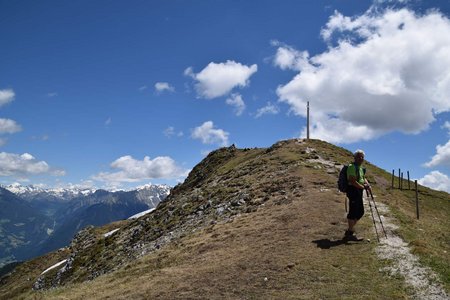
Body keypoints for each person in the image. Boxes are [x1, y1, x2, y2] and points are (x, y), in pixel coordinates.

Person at [344, 149, 371, 241]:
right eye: (359, 156)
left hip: (358, 190)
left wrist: (368, 185)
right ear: (354, 158)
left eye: (362, 157)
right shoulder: (352, 167)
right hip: (353, 190)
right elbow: (352, 181)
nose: (361, 158)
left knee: (360, 212)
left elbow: (363, 178)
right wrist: (363, 187)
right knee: (353, 212)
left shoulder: (360, 168)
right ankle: (350, 233)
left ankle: (349, 231)